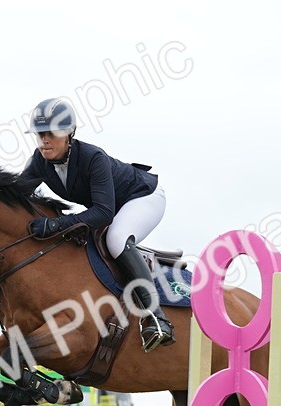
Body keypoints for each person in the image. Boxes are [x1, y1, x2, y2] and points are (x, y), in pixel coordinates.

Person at [19, 97, 174, 352]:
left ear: (69, 133)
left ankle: (156, 317)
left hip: (144, 197)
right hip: (112, 206)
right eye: (40, 134)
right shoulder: (39, 161)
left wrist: (57, 224)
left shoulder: (93, 158)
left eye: (52, 133)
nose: (45, 140)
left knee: (116, 238)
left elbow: (103, 213)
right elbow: (16, 196)